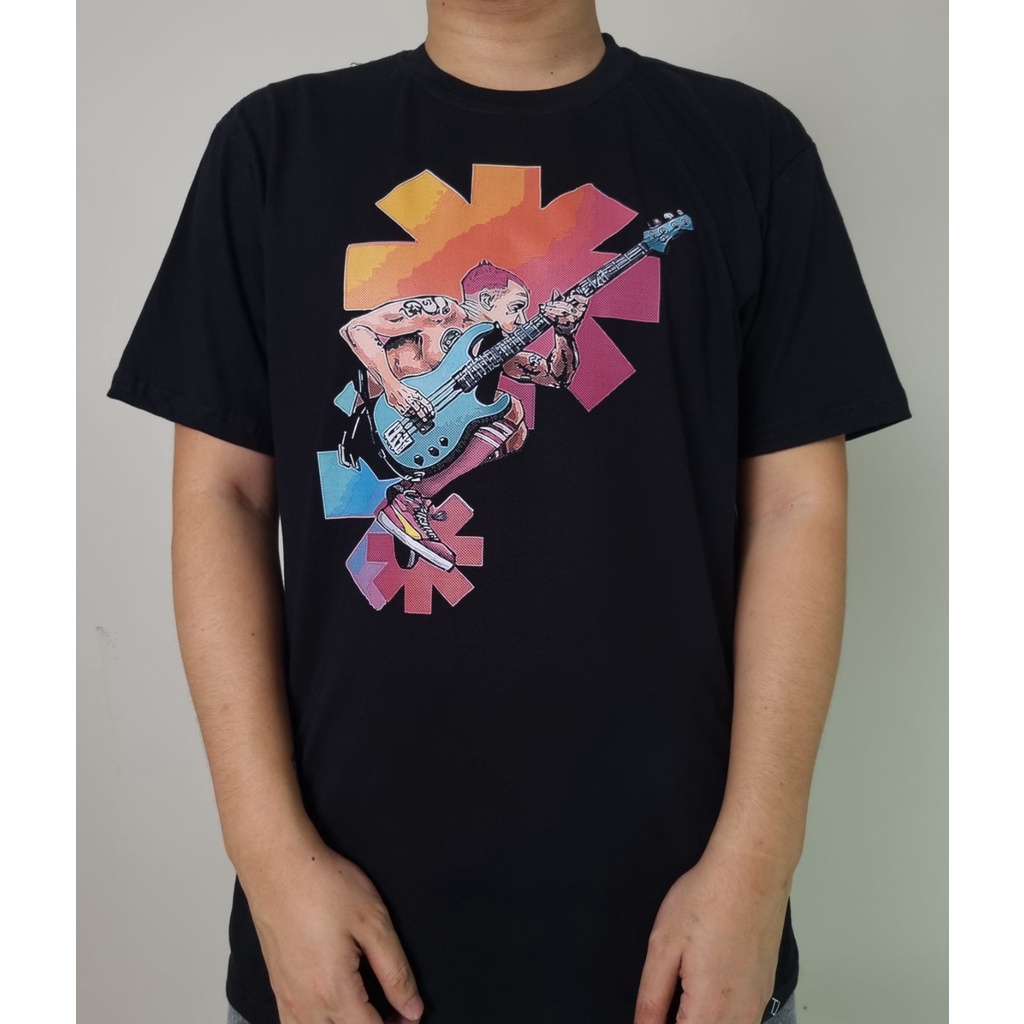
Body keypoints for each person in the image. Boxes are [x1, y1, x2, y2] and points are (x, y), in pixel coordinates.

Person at [106, 2, 912, 1023]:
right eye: (498, 307)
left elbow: (797, 506)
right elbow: (221, 495)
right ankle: (408, 499)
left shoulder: (749, 148)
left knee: (508, 425)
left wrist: (756, 866)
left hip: (676, 941)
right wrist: (271, 862)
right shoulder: (276, 147)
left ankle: (424, 495)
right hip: (340, 945)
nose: (501, 316)